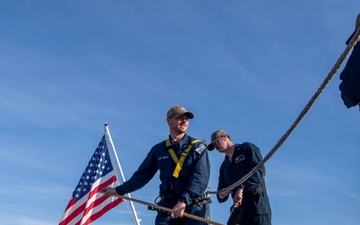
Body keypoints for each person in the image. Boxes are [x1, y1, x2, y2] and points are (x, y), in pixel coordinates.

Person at [100, 106, 211, 225]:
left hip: (192, 208)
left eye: (186, 119)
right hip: (167, 207)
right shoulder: (158, 150)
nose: (184, 121)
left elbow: (200, 178)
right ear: (169, 120)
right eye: (180, 118)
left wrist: (183, 201)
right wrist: (118, 190)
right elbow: (141, 177)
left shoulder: (197, 148)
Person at [207, 130, 271, 225]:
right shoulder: (224, 167)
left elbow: (259, 172)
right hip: (239, 212)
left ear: (224, 137)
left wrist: (241, 187)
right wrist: (222, 194)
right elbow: (220, 193)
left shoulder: (247, 148)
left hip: (256, 205)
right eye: (213, 146)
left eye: (216, 142)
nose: (216, 147)